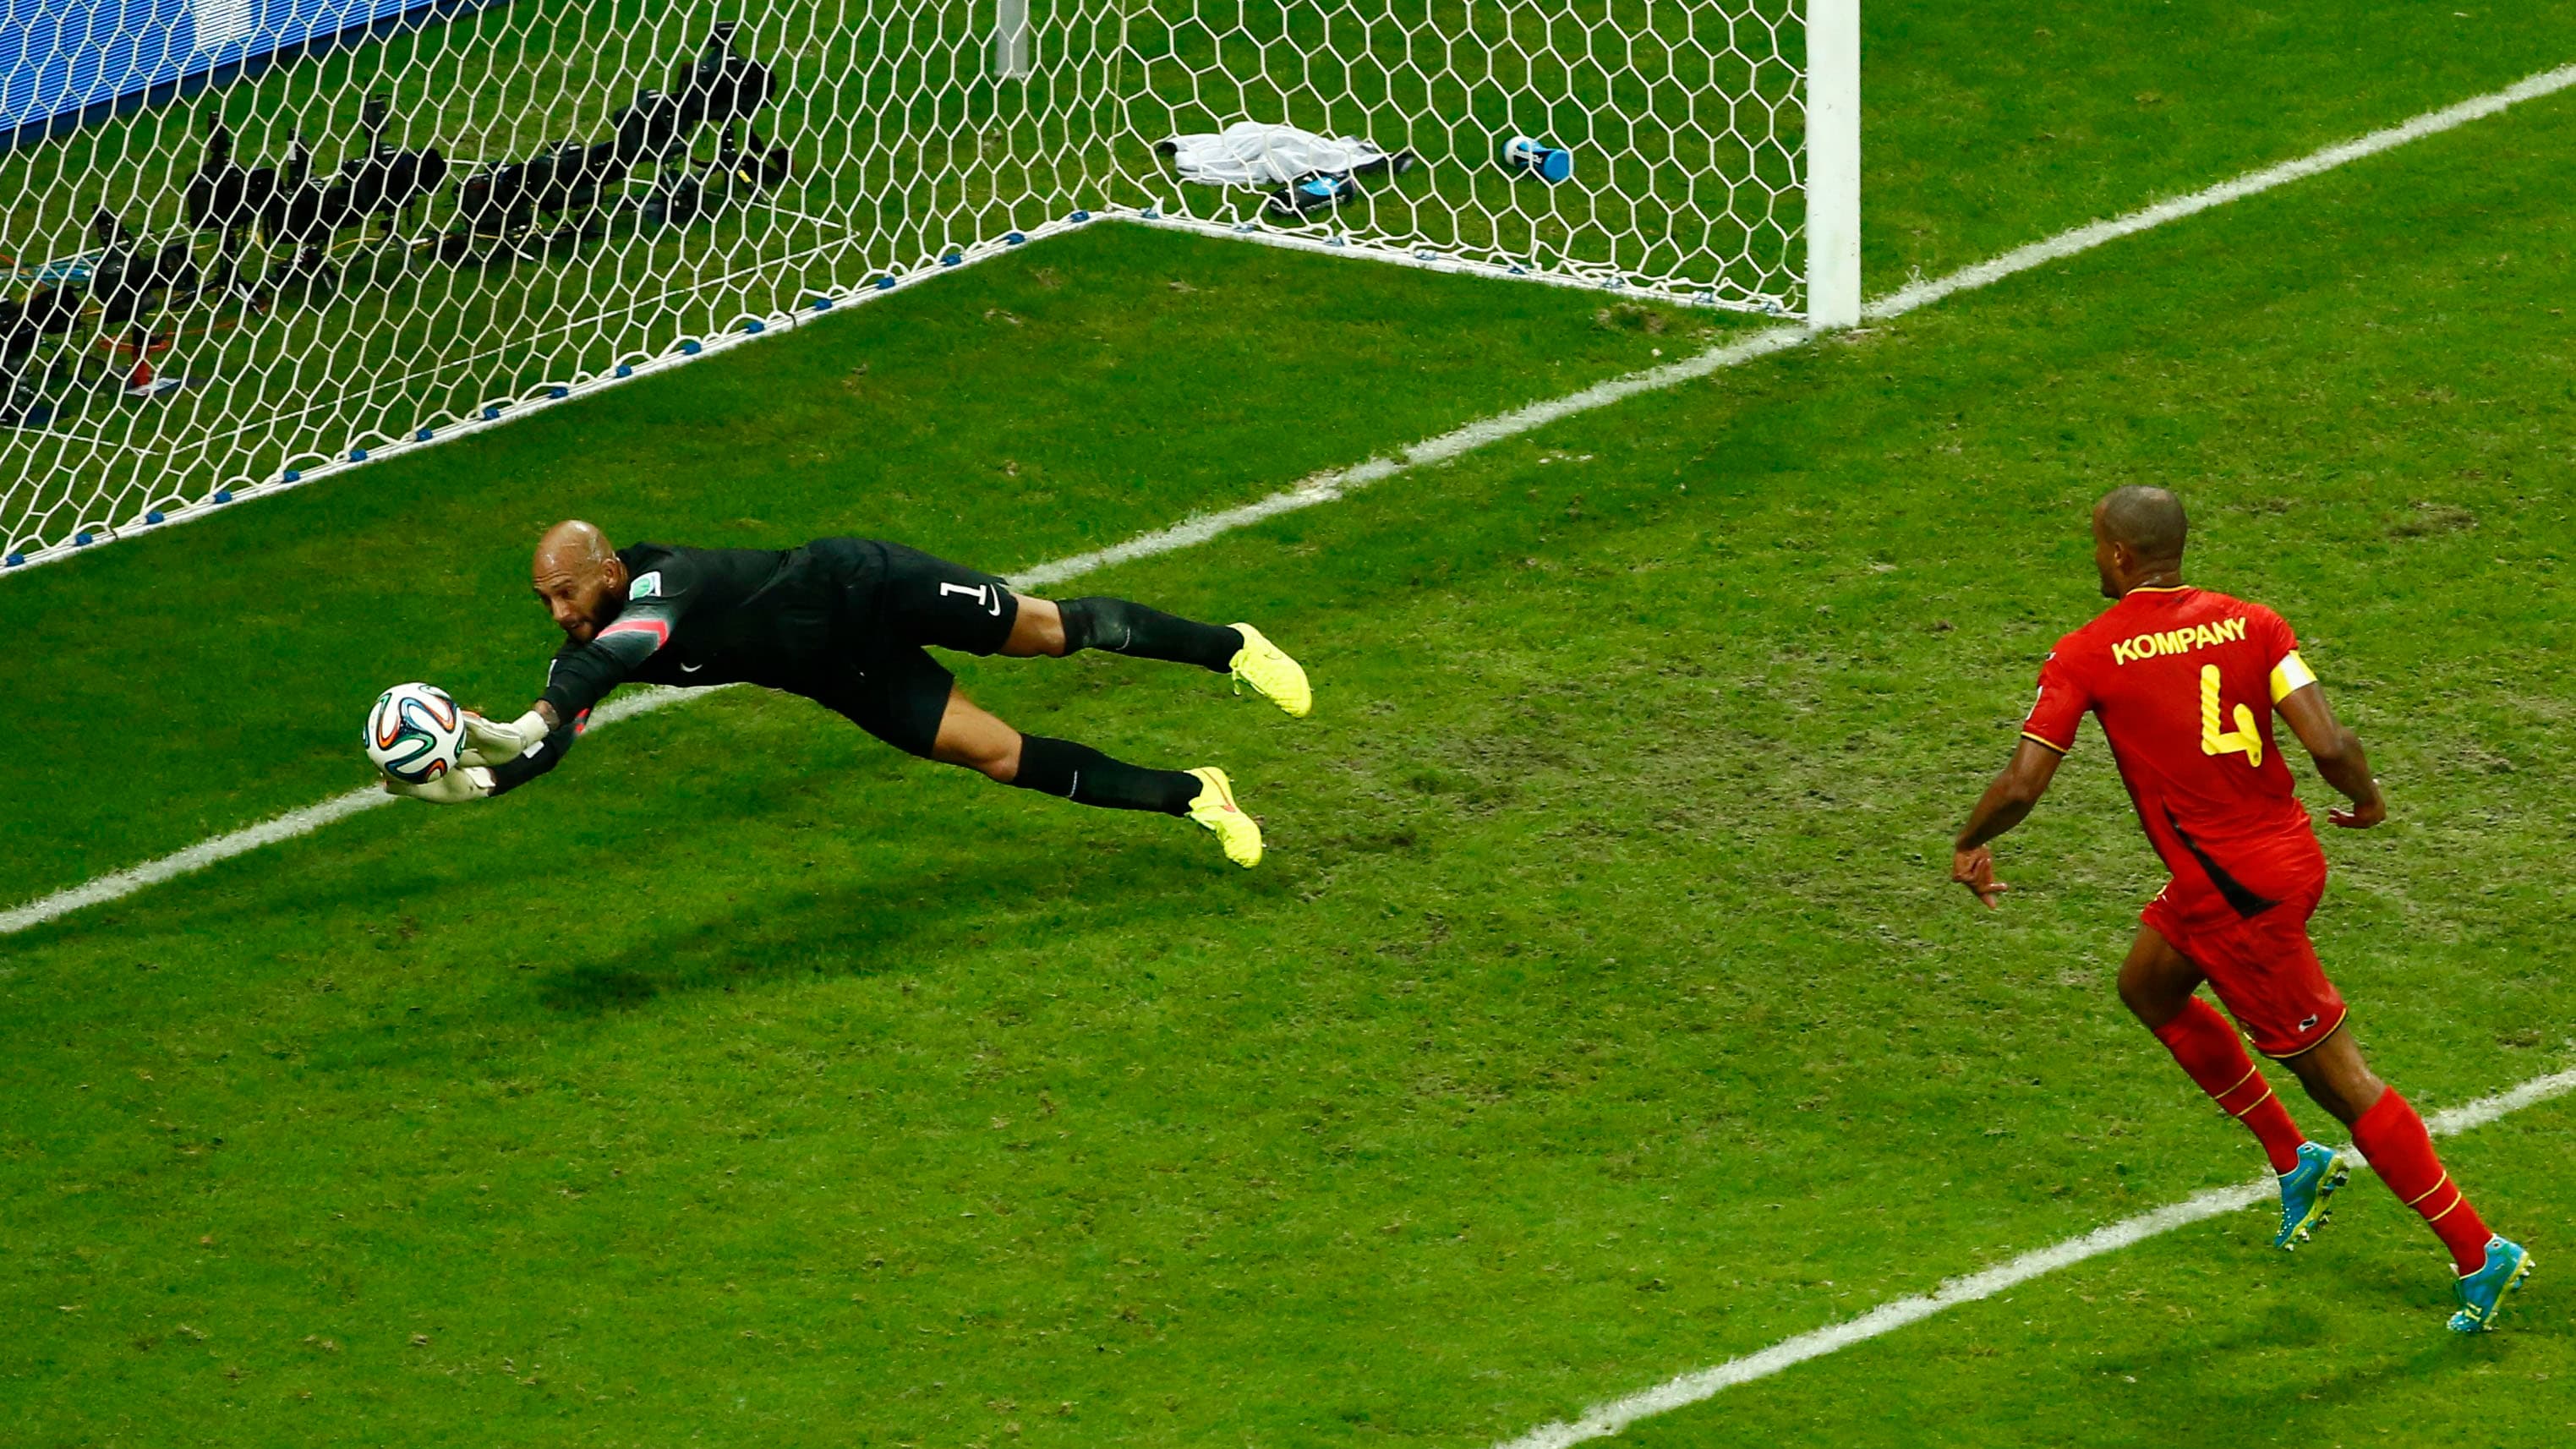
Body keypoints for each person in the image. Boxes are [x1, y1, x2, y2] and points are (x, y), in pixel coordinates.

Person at [1950, 485, 2530, 1332]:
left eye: (2094, 545)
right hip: (2277, 856)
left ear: (2116, 554)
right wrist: (2364, 799)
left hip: (2237, 896)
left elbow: (2023, 781)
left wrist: (1969, 839)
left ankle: (2479, 1250)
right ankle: (2291, 1157)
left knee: (2338, 1078)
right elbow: (2327, 742)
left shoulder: (2086, 652)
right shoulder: (2254, 623)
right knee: (2148, 985)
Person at [383, 521, 1309, 868]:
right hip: (844, 673)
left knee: (1053, 631)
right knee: (998, 754)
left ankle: (1231, 648)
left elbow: (614, 657)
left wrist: (512, 727)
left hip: (865, 584)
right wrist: (489, 778)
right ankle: (1196, 792)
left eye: (568, 592)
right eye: (544, 601)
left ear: (610, 571)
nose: (558, 613)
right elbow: (564, 723)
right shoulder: (590, 648)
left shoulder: (667, 587)